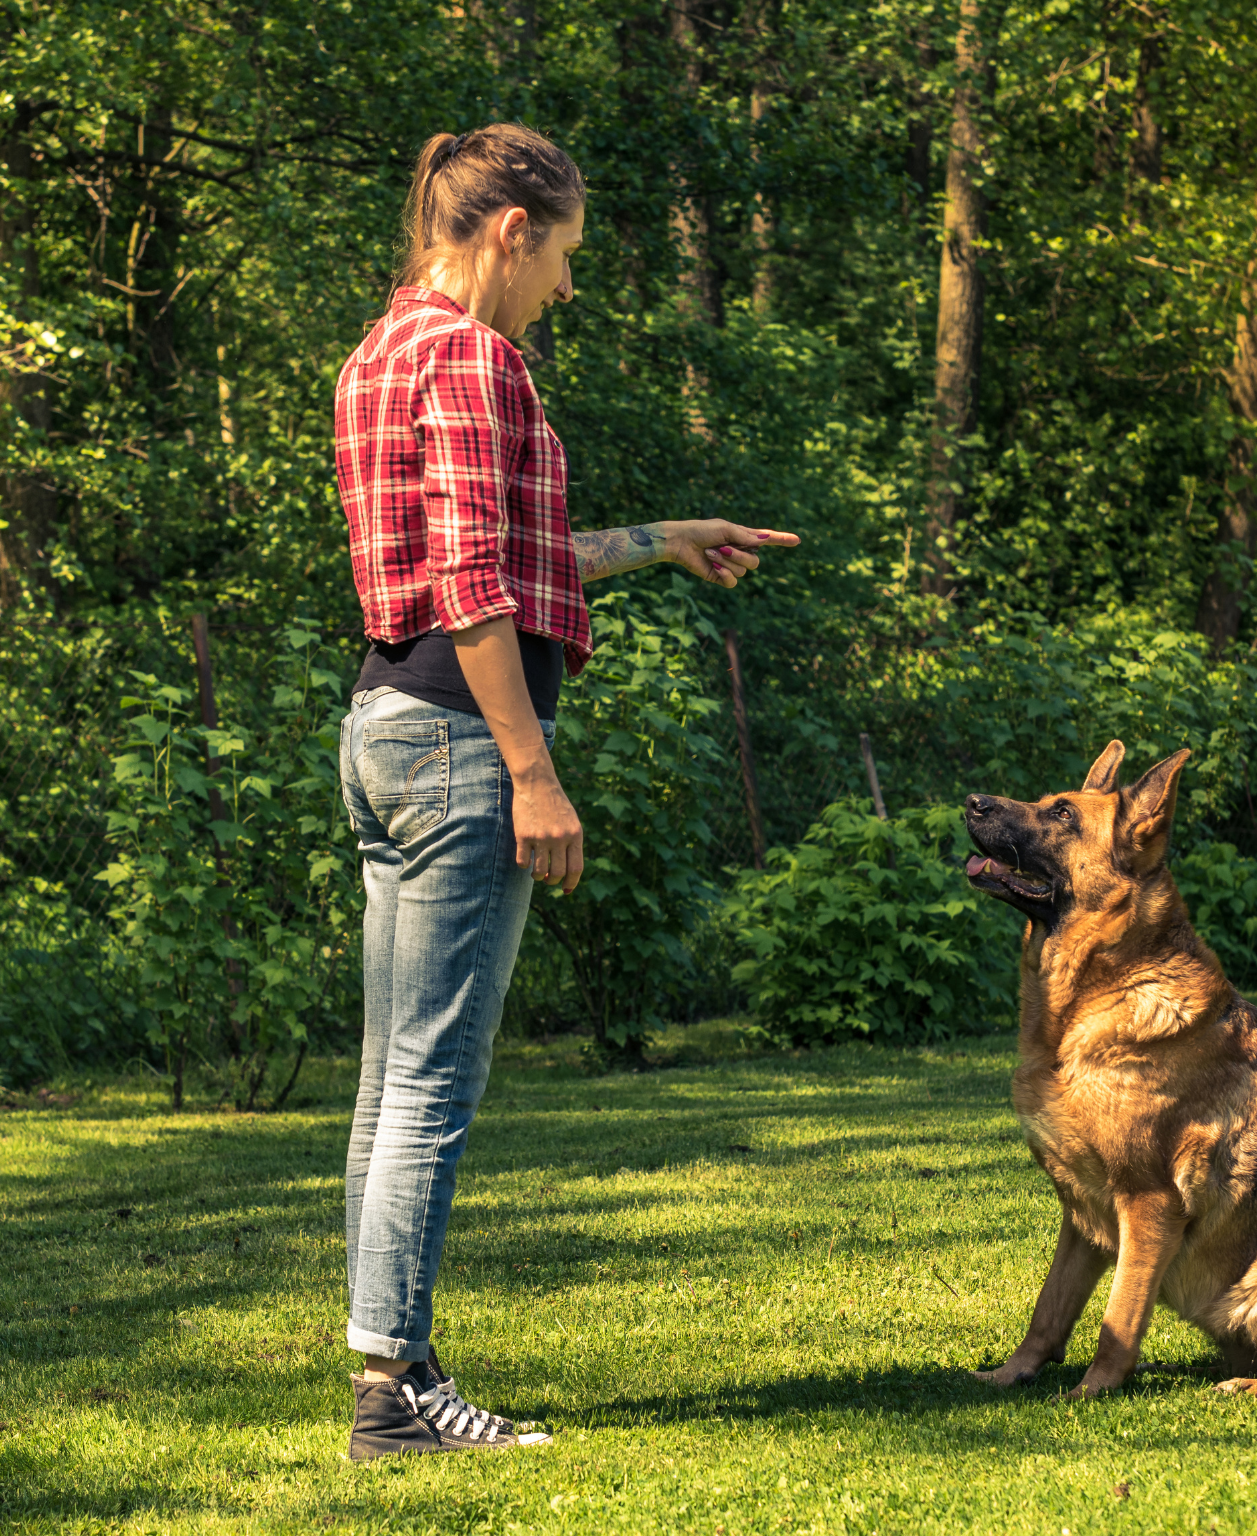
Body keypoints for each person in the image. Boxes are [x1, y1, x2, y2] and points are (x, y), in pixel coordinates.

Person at [332, 123, 798, 1461]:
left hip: (383, 720)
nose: (569, 291)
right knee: (431, 1084)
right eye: (568, 258)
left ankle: (389, 1365)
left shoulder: (382, 354)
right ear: (512, 231)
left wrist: (666, 541)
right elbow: (476, 585)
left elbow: (506, 558)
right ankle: (396, 1394)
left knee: (386, 1088)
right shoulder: (477, 360)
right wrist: (533, 772)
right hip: (460, 741)